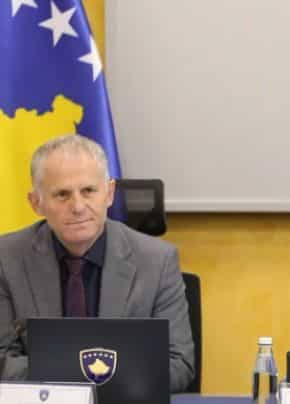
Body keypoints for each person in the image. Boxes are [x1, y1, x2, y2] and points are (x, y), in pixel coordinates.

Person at [0, 134, 195, 392]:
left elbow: (179, 365)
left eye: (88, 191)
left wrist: (68, 372)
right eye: (62, 194)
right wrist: (91, 374)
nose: (78, 206)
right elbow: (3, 362)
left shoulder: (157, 261)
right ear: (36, 203)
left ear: (109, 194)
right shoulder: (6, 259)